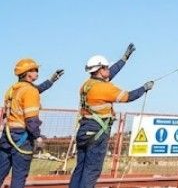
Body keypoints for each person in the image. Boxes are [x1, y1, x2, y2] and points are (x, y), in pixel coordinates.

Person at [69, 45, 153, 188]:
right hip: (97, 132)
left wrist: (123, 59)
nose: (108, 69)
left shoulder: (87, 85)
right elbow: (128, 96)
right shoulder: (104, 88)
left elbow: (109, 74)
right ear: (100, 70)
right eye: (106, 67)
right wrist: (144, 88)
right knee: (91, 170)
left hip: (84, 130)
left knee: (80, 168)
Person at [0, 59, 62, 188]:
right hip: (22, 137)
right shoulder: (29, 91)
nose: (37, 72)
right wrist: (38, 137)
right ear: (27, 73)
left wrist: (51, 81)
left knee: (1, 171)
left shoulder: (12, 90)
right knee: (19, 175)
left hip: (7, 136)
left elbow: (36, 89)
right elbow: (31, 119)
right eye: (35, 70)